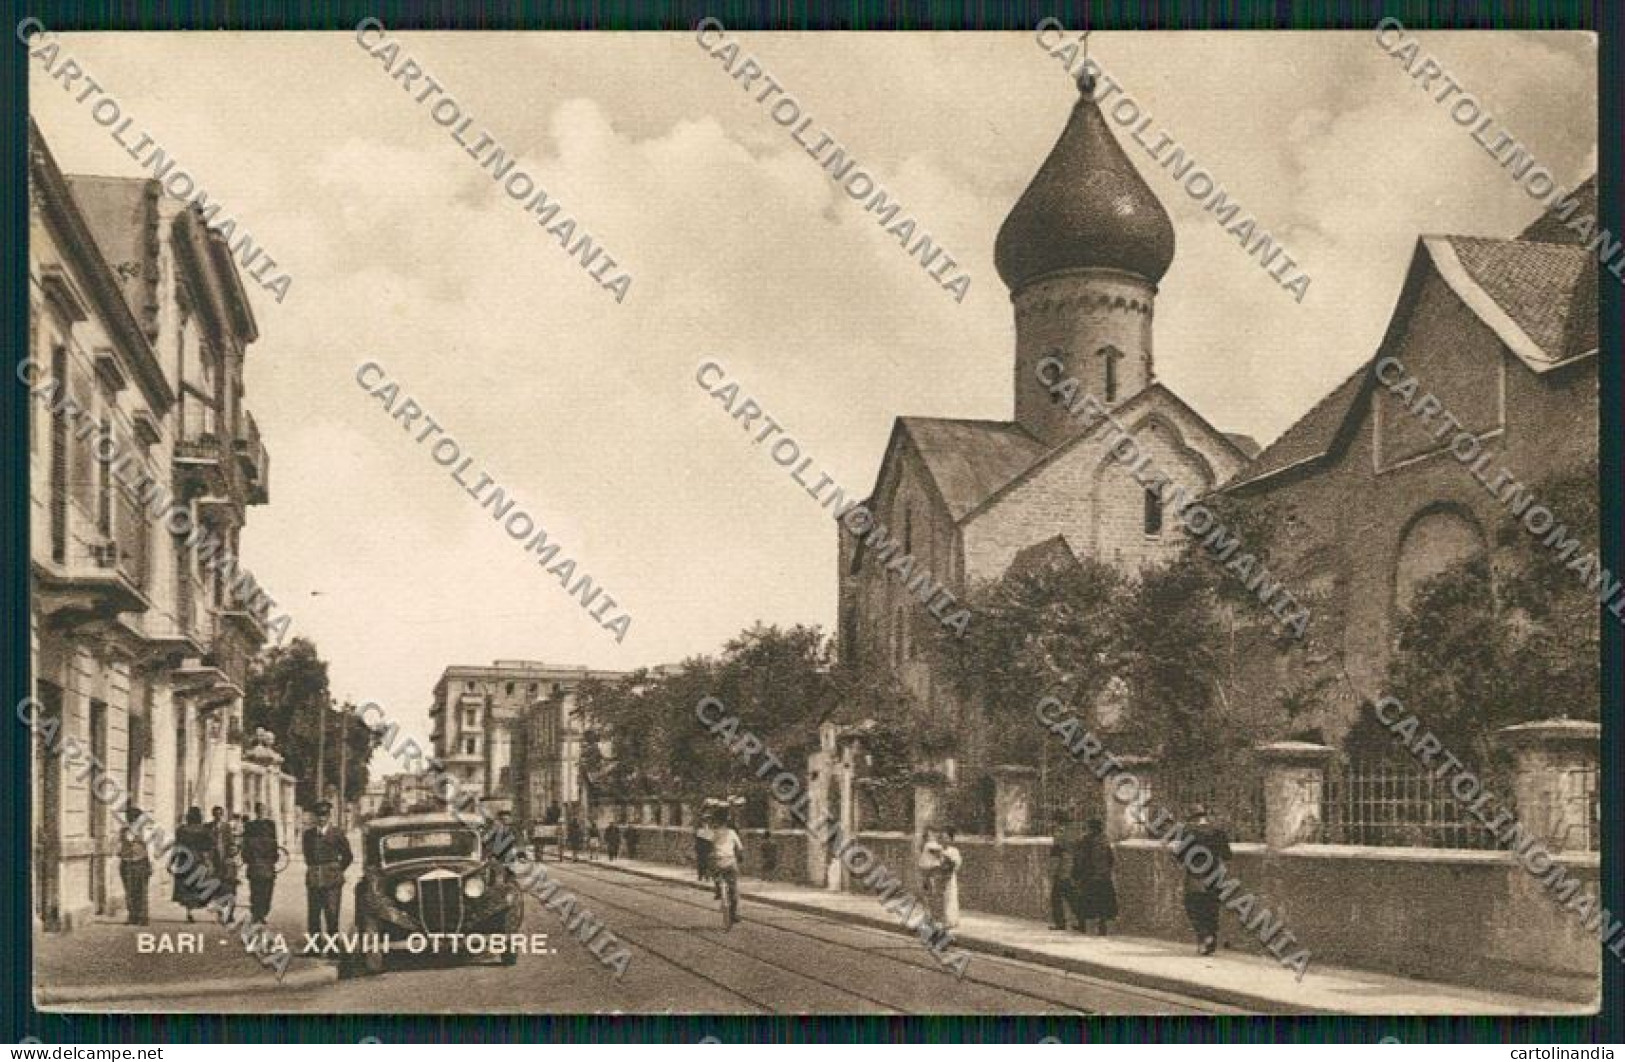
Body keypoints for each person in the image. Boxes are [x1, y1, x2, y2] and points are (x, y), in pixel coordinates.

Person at [1178, 805, 1232, 956]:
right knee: (1212, 908)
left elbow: (1180, 857)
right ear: (1205, 817)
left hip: (1195, 878)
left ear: (1192, 819)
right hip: (1215, 876)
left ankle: (1204, 936)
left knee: (1193, 907)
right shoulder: (1218, 832)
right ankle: (1211, 939)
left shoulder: (1187, 833)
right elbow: (1228, 855)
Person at [302, 801, 352, 937]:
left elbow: (348, 856)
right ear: (314, 817)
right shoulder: (308, 835)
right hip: (314, 879)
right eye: (318, 815)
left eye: (324, 815)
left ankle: (332, 948)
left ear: (329, 816)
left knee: (332, 914)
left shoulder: (337, 834)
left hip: (332, 881)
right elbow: (308, 857)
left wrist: (337, 870)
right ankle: (314, 947)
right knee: (313, 915)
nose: (321, 818)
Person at [1072, 816, 1118, 936]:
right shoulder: (1105, 840)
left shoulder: (1085, 840)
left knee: (1085, 902)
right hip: (1104, 877)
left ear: (1090, 828)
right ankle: (1102, 927)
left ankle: (1084, 928)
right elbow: (1111, 859)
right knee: (1103, 903)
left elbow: (1081, 859)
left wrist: (1077, 874)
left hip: (1090, 876)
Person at [171, 807, 215, 921]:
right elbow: (210, 846)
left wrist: (171, 862)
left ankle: (189, 911)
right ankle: (208, 909)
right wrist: (209, 860)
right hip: (199, 859)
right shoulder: (205, 830)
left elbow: (177, 847)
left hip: (184, 860)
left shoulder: (181, 830)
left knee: (187, 886)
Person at [242, 802, 280, 925]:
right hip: (255, 863)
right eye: (260, 810)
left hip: (268, 864)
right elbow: (245, 844)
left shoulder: (271, 824)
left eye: (263, 810)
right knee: (255, 890)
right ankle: (256, 913)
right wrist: (248, 859)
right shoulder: (250, 825)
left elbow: (275, 843)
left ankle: (262, 912)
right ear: (256, 811)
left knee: (267, 890)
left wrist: (274, 858)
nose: (262, 812)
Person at [708, 812, 745, 928]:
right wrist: (740, 857)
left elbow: (706, 846)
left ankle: (718, 888)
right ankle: (734, 915)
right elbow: (740, 847)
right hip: (730, 862)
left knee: (713, 870)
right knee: (734, 889)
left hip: (717, 862)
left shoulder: (712, 833)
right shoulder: (732, 833)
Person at [116, 809, 150, 926]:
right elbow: (120, 846)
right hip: (127, 862)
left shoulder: (142, 831)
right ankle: (133, 916)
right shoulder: (125, 830)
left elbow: (146, 847)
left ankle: (142, 917)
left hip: (140, 862)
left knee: (140, 891)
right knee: (130, 891)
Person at [1049, 813, 1082, 930]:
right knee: (1071, 896)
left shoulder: (1060, 833)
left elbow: (1056, 852)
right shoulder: (1075, 831)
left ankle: (1060, 923)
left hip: (1062, 868)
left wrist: (1052, 870)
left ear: (1057, 821)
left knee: (1056, 897)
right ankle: (1081, 921)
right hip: (1073, 867)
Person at [210, 806, 239, 902]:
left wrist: (232, 852)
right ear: (213, 815)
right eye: (216, 814)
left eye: (219, 814)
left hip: (224, 855)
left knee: (225, 878)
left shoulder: (226, 826)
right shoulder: (208, 826)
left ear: (222, 815)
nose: (218, 816)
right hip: (212, 857)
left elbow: (231, 841)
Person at [936, 828, 962, 930]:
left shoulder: (954, 850)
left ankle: (951, 920)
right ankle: (941, 919)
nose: (944, 840)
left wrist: (949, 869)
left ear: (951, 839)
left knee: (950, 897)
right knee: (940, 897)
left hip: (949, 877)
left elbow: (957, 863)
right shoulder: (938, 850)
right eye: (942, 838)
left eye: (946, 838)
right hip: (939, 876)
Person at [916, 827, 944, 920]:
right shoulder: (929, 845)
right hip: (930, 871)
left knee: (929, 892)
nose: (932, 836)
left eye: (933, 834)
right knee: (931, 892)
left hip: (928, 870)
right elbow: (939, 853)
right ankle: (931, 913)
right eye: (930, 835)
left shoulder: (929, 845)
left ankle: (929, 913)